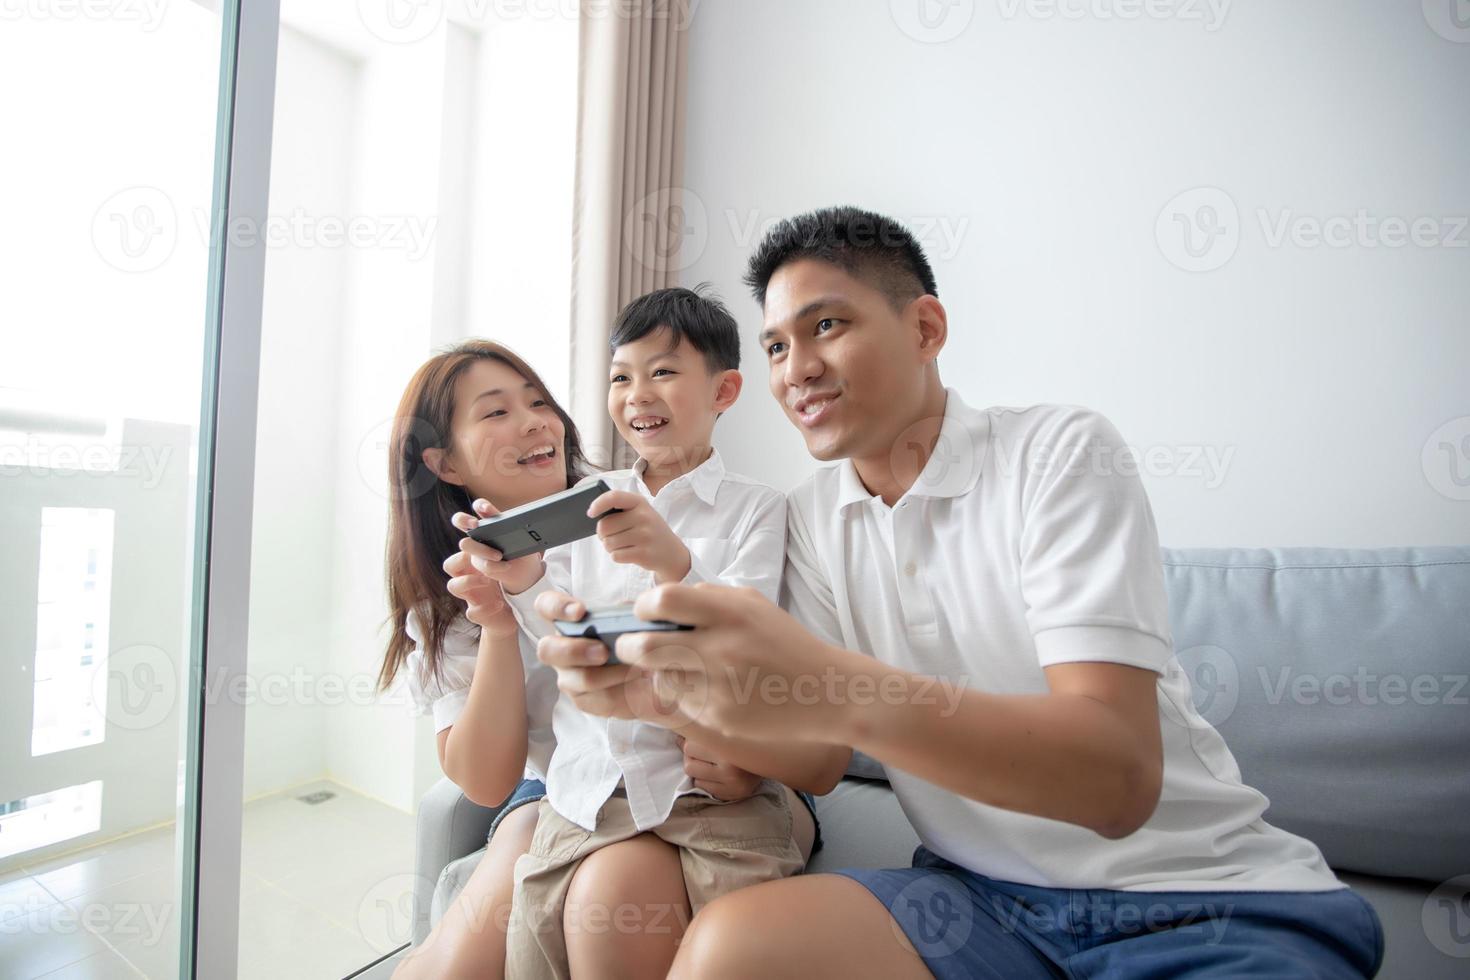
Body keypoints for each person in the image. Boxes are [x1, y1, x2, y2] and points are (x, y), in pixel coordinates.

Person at [533, 207, 1386, 979]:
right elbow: (818, 764)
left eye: (826, 325)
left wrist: (831, 687)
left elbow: (1116, 781)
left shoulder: (1059, 452)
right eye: (778, 347)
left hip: (1203, 898)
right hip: (977, 903)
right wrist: (666, 697)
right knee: (729, 952)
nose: (798, 369)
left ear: (926, 328)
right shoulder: (812, 517)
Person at [463, 287, 844, 979]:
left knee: (735, 939)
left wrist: (677, 563)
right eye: (620, 377)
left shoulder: (760, 510)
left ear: (724, 389)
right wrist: (522, 582)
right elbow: (561, 621)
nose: (638, 393)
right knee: (537, 944)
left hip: (704, 788)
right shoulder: (588, 499)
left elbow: (748, 640)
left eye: (663, 372)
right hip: (590, 786)